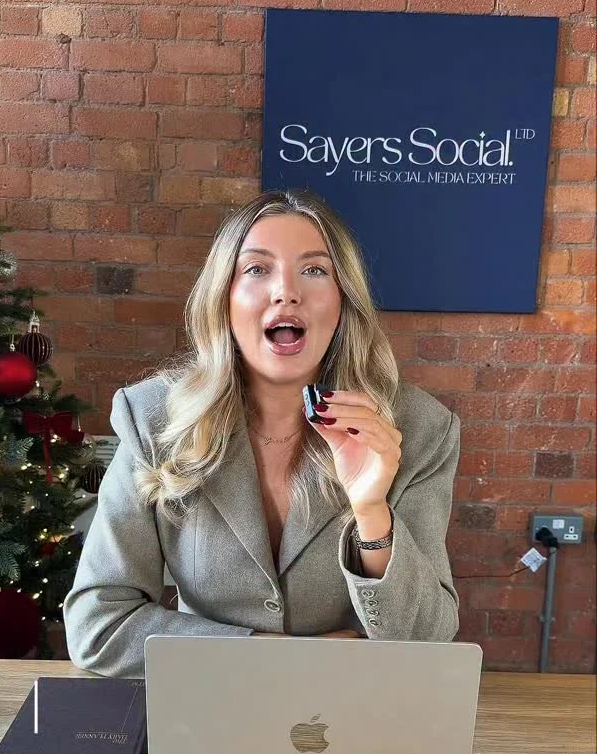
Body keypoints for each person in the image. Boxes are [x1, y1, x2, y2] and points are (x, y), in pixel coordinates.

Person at [64, 189, 460, 678]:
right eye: (256, 269)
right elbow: (98, 625)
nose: (285, 292)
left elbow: (427, 640)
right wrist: (274, 655)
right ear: (224, 299)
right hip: (205, 707)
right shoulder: (154, 419)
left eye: (314, 270)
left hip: (353, 709)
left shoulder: (419, 429)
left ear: (343, 302)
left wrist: (371, 512)